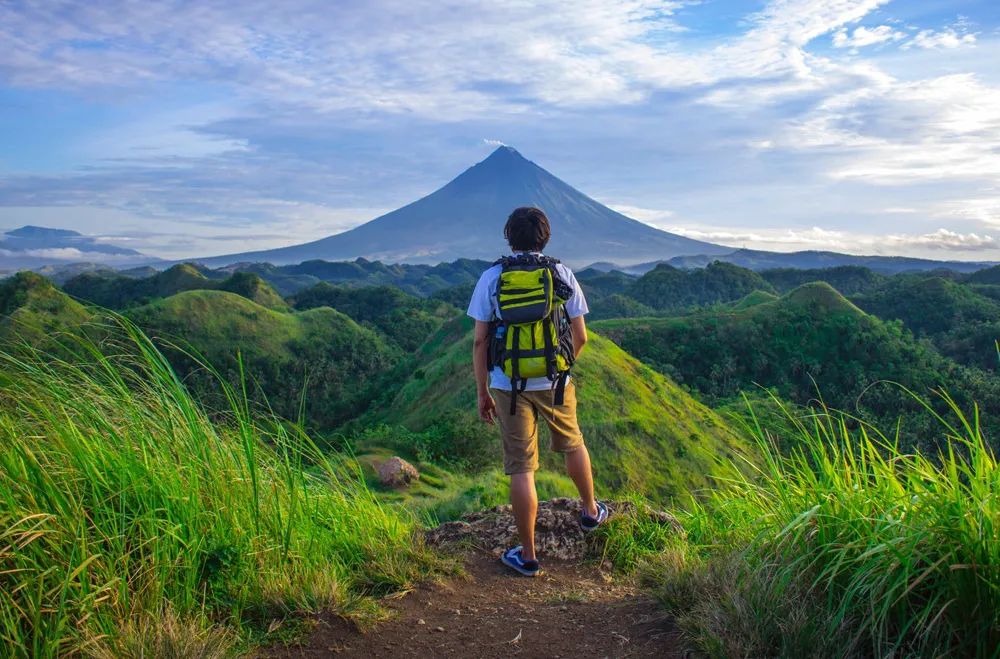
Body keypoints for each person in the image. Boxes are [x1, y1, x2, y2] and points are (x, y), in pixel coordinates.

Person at [467, 206, 607, 577]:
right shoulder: (561, 272)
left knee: (521, 467)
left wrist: (483, 391)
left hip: (507, 384)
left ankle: (528, 556)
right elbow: (581, 336)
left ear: (508, 236)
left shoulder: (492, 277)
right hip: (555, 381)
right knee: (573, 443)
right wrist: (560, 368)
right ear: (545, 237)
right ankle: (591, 512)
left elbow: (480, 342)